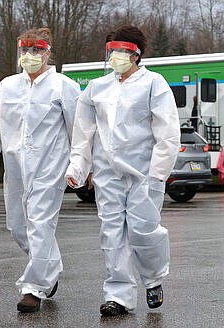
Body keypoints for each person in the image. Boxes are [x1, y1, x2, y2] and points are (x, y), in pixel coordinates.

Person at [65, 25, 181, 316]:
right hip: (108, 175)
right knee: (112, 235)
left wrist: (158, 174)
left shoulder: (154, 84)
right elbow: (83, 132)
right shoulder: (97, 88)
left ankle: (153, 279)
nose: (115, 56)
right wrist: (78, 167)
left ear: (137, 53)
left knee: (143, 232)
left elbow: (167, 133)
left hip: (144, 175)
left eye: (122, 51)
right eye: (111, 51)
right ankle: (118, 296)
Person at [0, 27, 80, 313]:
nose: (30, 56)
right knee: (18, 227)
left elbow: (78, 130)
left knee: (41, 225)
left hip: (50, 168)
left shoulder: (63, 87)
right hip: (17, 169)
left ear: (47, 52)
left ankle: (33, 289)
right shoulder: (8, 86)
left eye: (37, 50)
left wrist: (80, 165)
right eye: (25, 50)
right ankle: (49, 268)